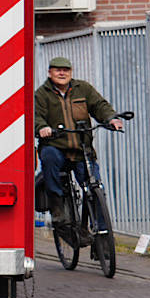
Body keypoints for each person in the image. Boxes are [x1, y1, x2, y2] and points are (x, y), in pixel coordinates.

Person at [34, 56, 123, 210]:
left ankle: (102, 231)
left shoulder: (83, 89)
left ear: (71, 72)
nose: (62, 73)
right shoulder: (41, 94)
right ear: (50, 73)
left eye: (66, 70)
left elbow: (99, 106)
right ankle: (58, 207)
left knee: (95, 187)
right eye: (58, 70)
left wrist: (111, 119)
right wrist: (42, 127)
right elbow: (36, 116)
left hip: (81, 148)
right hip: (56, 146)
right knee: (49, 157)